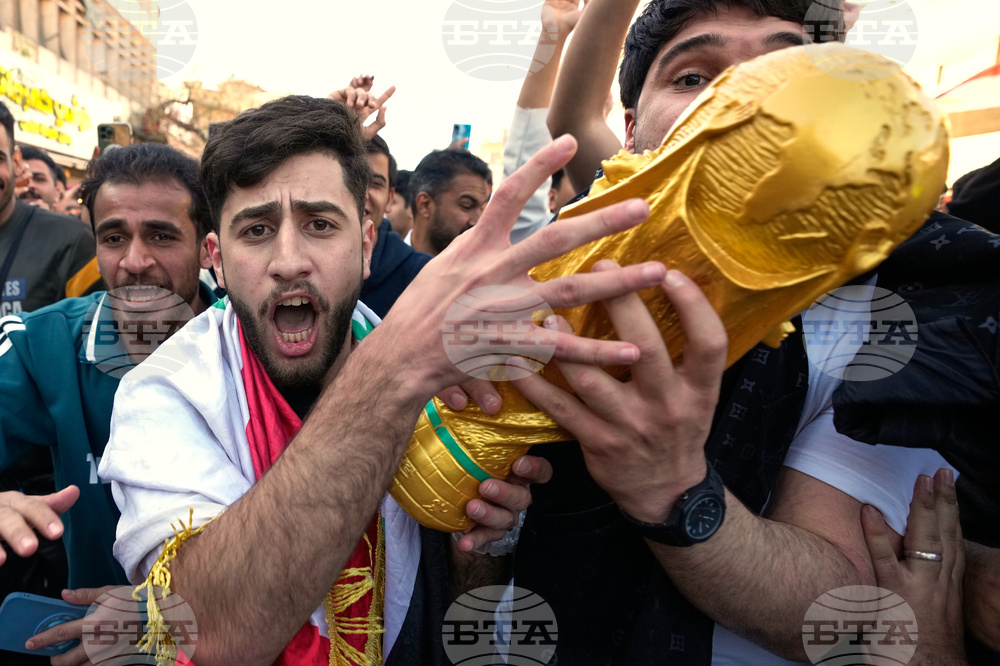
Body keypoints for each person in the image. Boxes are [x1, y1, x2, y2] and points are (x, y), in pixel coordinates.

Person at [507, 1, 998, 664]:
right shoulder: (551, 273)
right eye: (692, 78)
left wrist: (671, 488)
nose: (745, 99)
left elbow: (843, 599)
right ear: (630, 133)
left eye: (785, 72)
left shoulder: (894, 310)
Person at [98, 95, 667, 666]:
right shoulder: (162, 394)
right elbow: (211, 636)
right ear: (215, 260)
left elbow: (463, 626)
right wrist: (393, 372)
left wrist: (483, 537)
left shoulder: (449, 377)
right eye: (256, 230)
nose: (289, 259)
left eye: (320, 224)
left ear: (366, 246)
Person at [0, 143, 216, 663]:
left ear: (208, 249)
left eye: (162, 236)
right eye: (114, 237)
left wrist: (162, 616)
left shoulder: (256, 345)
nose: (135, 261)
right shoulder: (44, 342)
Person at [359, 135, 431, 319]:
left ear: (390, 198)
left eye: (375, 183)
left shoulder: (422, 275)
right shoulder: (292, 265)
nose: (361, 194)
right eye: (352, 179)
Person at [406, 148, 491, 255]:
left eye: (482, 208)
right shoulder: (384, 264)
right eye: (467, 206)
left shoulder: (484, 269)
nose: (477, 222)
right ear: (425, 205)